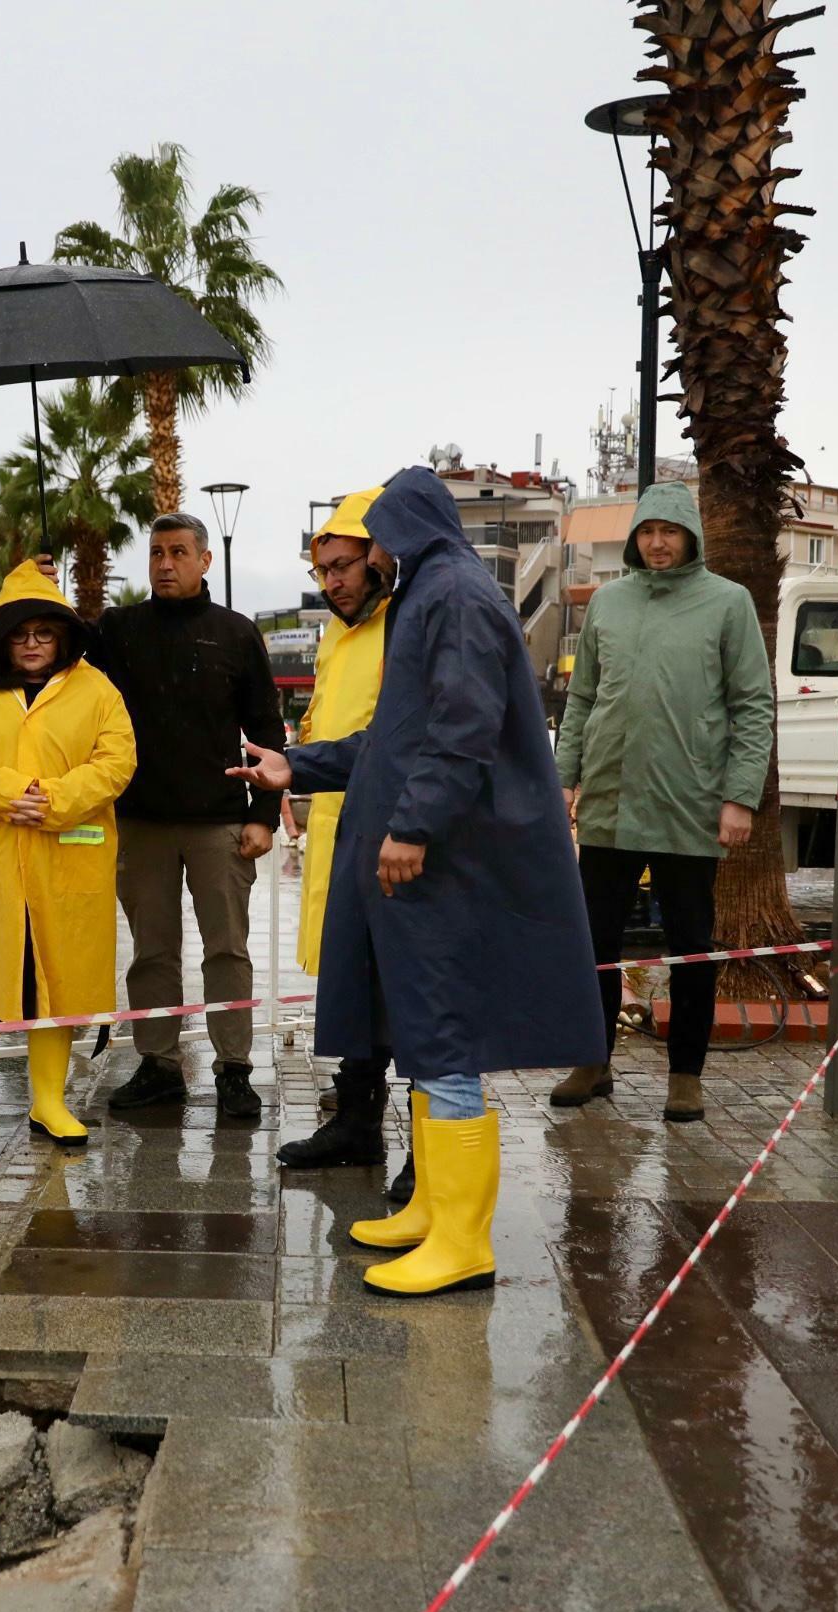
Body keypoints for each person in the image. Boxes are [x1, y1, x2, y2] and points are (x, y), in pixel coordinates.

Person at [230, 468, 602, 1296]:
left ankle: (462, 1242)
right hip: (433, 861)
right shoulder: (434, 591)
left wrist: (413, 825)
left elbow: (461, 729)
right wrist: (300, 764)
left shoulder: (452, 595)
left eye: (378, 541)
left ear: (401, 532)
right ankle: (434, 1212)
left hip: (447, 862)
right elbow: (394, 737)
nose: (374, 558)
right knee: (431, 1037)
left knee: (446, 1035)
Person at [551, 482, 771, 1124]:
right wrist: (565, 777)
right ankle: (592, 1061)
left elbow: (753, 707)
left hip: (691, 804)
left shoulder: (728, 603)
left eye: (669, 532)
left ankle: (685, 1075)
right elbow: (584, 698)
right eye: (647, 532)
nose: (657, 543)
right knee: (594, 940)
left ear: (691, 536)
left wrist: (739, 797)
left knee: (690, 944)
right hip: (609, 803)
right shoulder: (609, 602)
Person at [0, 562, 137, 1166]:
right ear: (0, 638)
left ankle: (49, 1101)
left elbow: (117, 761)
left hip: (64, 864)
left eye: (43, 633)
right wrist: (6, 792)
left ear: (63, 636)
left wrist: (55, 802)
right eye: (20, 635)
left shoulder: (98, 691)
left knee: (57, 981)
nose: (32, 646)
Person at [93, 514, 285, 1119]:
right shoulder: (118, 630)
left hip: (220, 822)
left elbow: (267, 732)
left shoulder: (235, 633)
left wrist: (265, 817)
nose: (165, 564)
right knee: (151, 952)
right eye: (155, 553)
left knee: (227, 949)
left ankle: (234, 1070)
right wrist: (43, 587)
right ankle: (158, 1066)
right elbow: (57, 653)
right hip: (141, 822)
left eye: (178, 552)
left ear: (205, 561)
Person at [272, 487, 398, 1175]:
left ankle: (432, 1143)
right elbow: (322, 724)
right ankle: (356, 1121)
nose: (333, 582)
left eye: (344, 567)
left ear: (377, 560)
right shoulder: (335, 635)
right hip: (332, 821)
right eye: (323, 571)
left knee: (399, 986)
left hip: (387, 829)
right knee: (350, 977)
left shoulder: (403, 626)